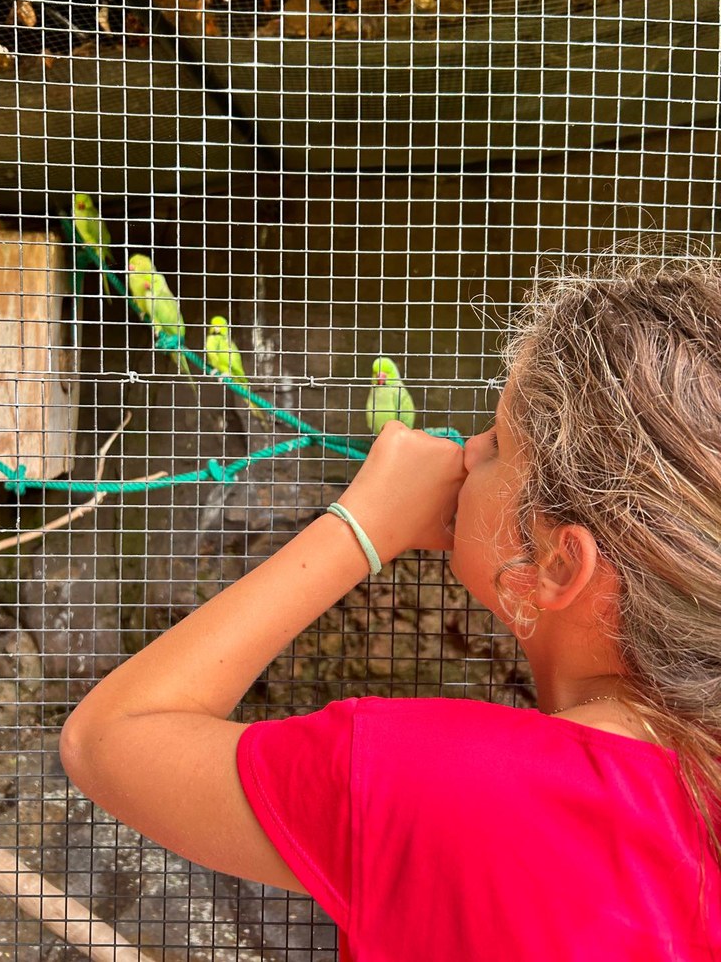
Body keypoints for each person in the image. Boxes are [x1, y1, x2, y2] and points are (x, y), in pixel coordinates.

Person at [60, 260, 721, 960]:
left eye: (496, 445)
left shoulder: (436, 782)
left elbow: (107, 738)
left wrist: (362, 523)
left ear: (557, 564)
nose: (466, 453)